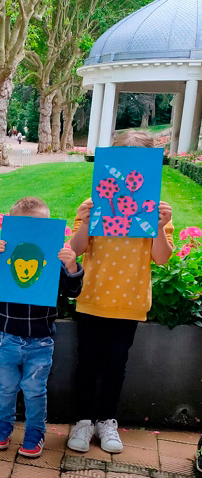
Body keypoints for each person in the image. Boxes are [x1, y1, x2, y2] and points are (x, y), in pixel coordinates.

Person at [67, 130, 174, 454]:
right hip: (93, 299)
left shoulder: (152, 209)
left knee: (116, 364)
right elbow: (75, 249)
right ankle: (83, 421)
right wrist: (85, 222)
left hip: (129, 302)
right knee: (87, 363)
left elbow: (161, 256)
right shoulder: (94, 203)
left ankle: (106, 420)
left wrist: (158, 225)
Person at [0, 197, 83, 457]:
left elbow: (72, 291)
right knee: (5, 388)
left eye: (39, 228)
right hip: (4, 337)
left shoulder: (53, 259)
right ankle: (3, 428)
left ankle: (35, 432)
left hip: (39, 340)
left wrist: (72, 266)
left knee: (34, 391)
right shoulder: (5, 254)